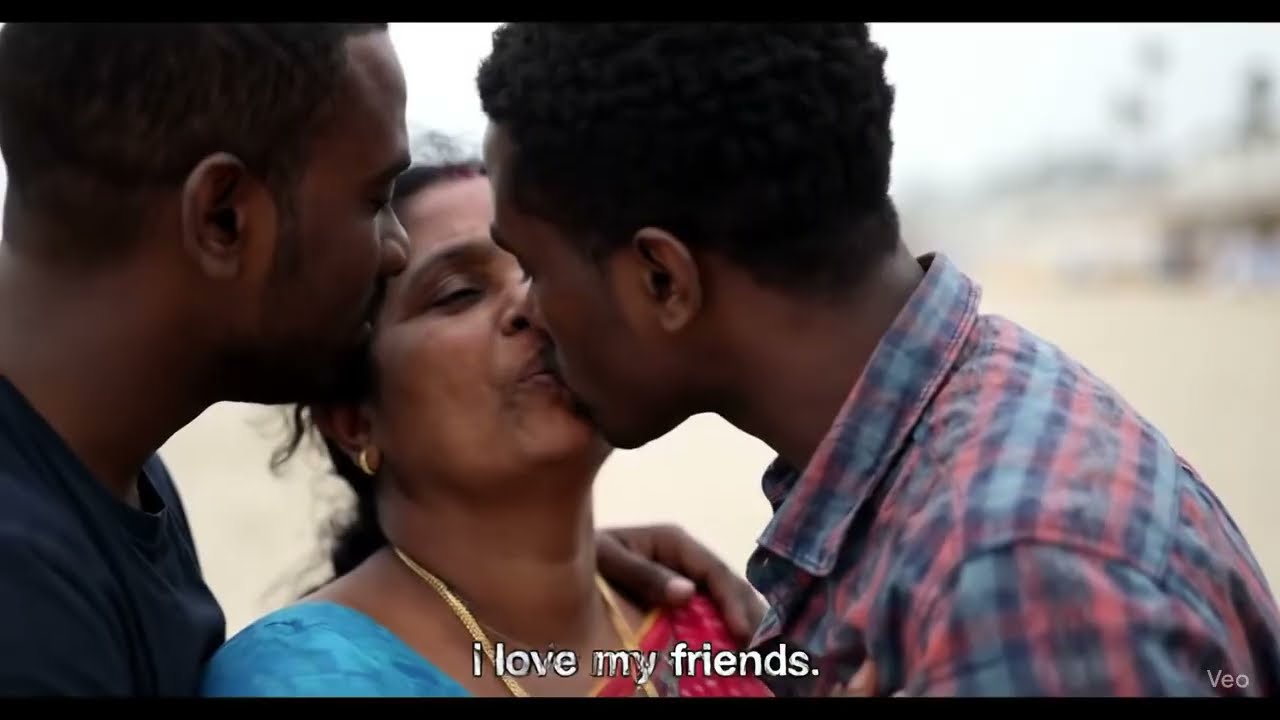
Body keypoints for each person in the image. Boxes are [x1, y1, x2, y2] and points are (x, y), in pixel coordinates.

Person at [476, 23, 1280, 696]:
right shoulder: (963, 437)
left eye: (534, 267)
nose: (525, 308)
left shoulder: (1008, 579)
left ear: (663, 279)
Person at [0, 23, 764, 697]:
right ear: (225, 216)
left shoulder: (110, 484)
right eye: (371, 200)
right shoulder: (25, 595)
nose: (389, 248)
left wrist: (542, 586)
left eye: (537, 267)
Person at [199, 147, 773, 697]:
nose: (533, 306)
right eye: (459, 293)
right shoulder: (303, 678)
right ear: (353, 420)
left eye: (545, 272)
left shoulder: (707, 623)